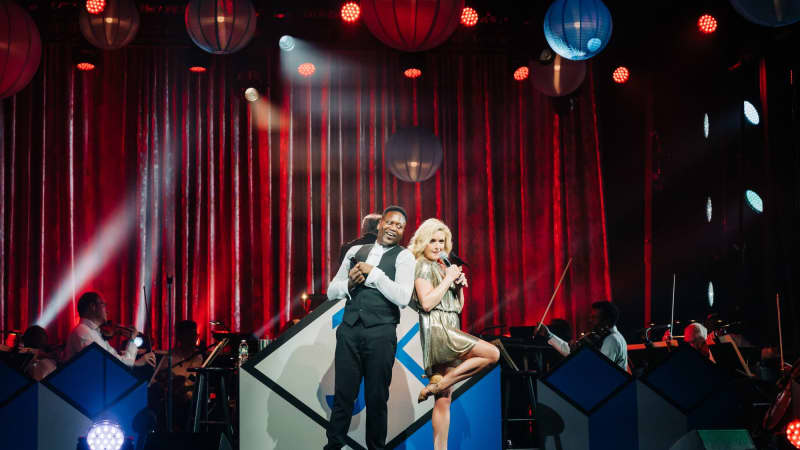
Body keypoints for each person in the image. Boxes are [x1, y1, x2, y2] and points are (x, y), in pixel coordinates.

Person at [325, 206, 415, 450]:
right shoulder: (356, 251)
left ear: (403, 231)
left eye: (399, 226)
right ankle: (332, 446)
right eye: (390, 222)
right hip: (350, 331)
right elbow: (331, 291)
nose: (393, 228)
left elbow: (404, 297)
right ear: (380, 224)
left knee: (376, 399)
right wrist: (349, 283)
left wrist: (375, 274)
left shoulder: (404, 257)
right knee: (343, 396)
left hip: (381, 333)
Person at [409, 218, 500, 450]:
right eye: (433, 240)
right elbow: (427, 303)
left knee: (444, 399)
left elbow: (457, 307)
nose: (438, 246)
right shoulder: (422, 265)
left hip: (451, 323)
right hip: (438, 329)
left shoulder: (442, 265)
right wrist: (448, 278)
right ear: (423, 241)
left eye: (442, 241)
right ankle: (439, 384)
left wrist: (458, 286)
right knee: (492, 354)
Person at [62, 291, 155, 367]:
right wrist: (137, 362)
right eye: (104, 305)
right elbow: (110, 364)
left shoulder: (95, 333)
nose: (107, 310)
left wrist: (132, 345)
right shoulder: (82, 332)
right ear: (93, 307)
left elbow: (116, 360)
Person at [539, 301, 629, 371]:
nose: (590, 320)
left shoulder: (612, 340)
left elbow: (600, 370)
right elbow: (569, 350)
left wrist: (578, 356)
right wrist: (549, 335)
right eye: (590, 317)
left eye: (594, 317)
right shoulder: (598, 335)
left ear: (607, 321)